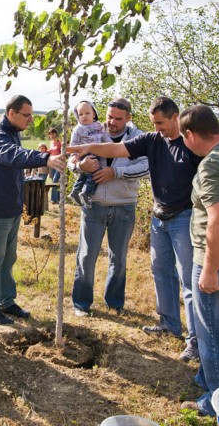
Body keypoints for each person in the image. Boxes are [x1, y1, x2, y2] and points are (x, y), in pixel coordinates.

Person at [67, 96, 201, 362]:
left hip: (182, 217)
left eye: (161, 123)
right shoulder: (151, 140)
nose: (158, 128)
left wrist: (115, 174)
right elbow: (113, 151)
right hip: (158, 216)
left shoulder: (189, 145)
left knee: (188, 279)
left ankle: (195, 341)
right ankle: (169, 323)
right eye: (154, 123)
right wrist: (76, 152)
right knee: (161, 271)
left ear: (176, 117)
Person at [0, 95, 66, 325]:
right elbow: (14, 155)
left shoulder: (12, 133)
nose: (30, 120)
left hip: (11, 206)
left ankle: (6, 301)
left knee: (8, 258)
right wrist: (46, 157)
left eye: (32, 115)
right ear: (11, 113)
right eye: (26, 115)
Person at [68, 98, 149, 317]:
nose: (111, 122)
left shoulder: (138, 137)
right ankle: (81, 304)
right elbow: (71, 156)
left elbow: (145, 167)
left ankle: (114, 303)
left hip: (124, 206)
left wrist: (116, 173)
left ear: (128, 118)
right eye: (109, 116)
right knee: (86, 255)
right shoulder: (92, 130)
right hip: (93, 204)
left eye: (118, 118)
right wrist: (79, 166)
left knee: (119, 257)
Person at [178, 105, 219, 417]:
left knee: (210, 335)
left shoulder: (210, 166)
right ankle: (206, 378)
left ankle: (212, 400)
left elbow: (216, 220)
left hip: (210, 260)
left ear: (191, 134)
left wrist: (208, 270)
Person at [68, 101, 112, 208]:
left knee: (84, 175)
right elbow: (73, 144)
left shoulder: (99, 126)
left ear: (94, 114)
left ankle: (75, 191)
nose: (84, 116)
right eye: (81, 114)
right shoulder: (78, 129)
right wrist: (74, 156)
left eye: (87, 113)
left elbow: (105, 137)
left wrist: (111, 144)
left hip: (97, 152)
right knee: (94, 174)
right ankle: (86, 193)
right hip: (84, 155)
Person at [47, 128, 61, 204]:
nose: (51, 135)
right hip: (52, 163)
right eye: (50, 134)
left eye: (52, 133)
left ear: (56, 134)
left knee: (55, 180)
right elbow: (51, 151)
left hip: (58, 163)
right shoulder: (51, 143)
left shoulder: (60, 142)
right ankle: (58, 198)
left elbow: (63, 153)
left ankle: (53, 199)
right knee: (54, 181)